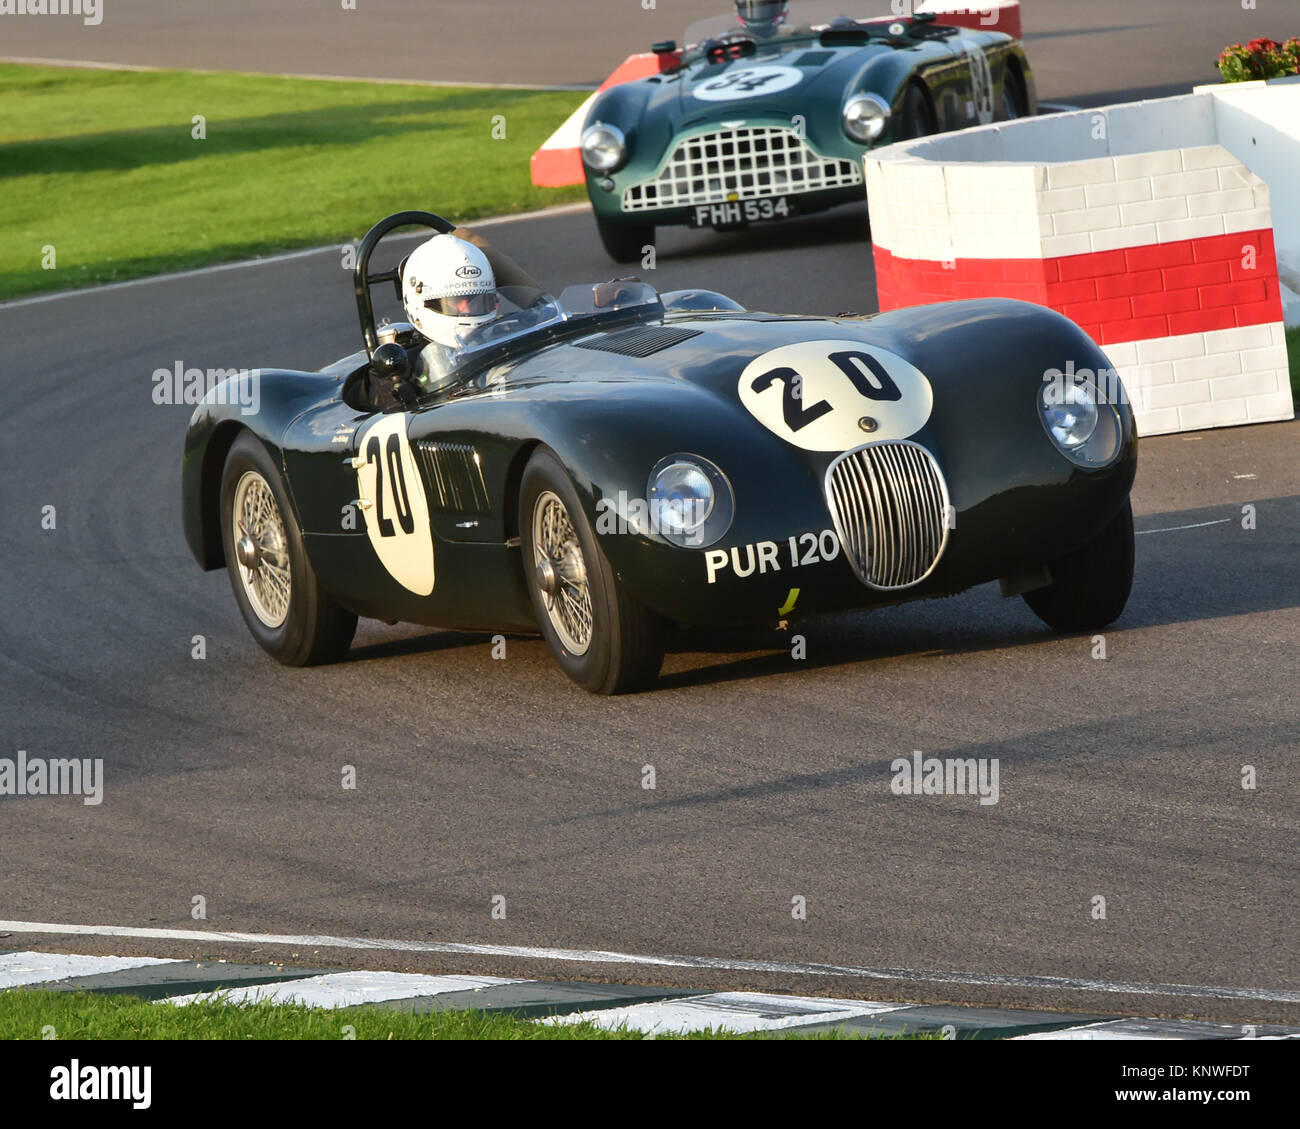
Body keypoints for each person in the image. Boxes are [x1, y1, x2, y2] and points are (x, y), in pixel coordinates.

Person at [400, 234, 502, 389]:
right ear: (419, 303)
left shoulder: (503, 340)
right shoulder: (404, 371)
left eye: (477, 302)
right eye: (455, 303)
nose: (467, 310)